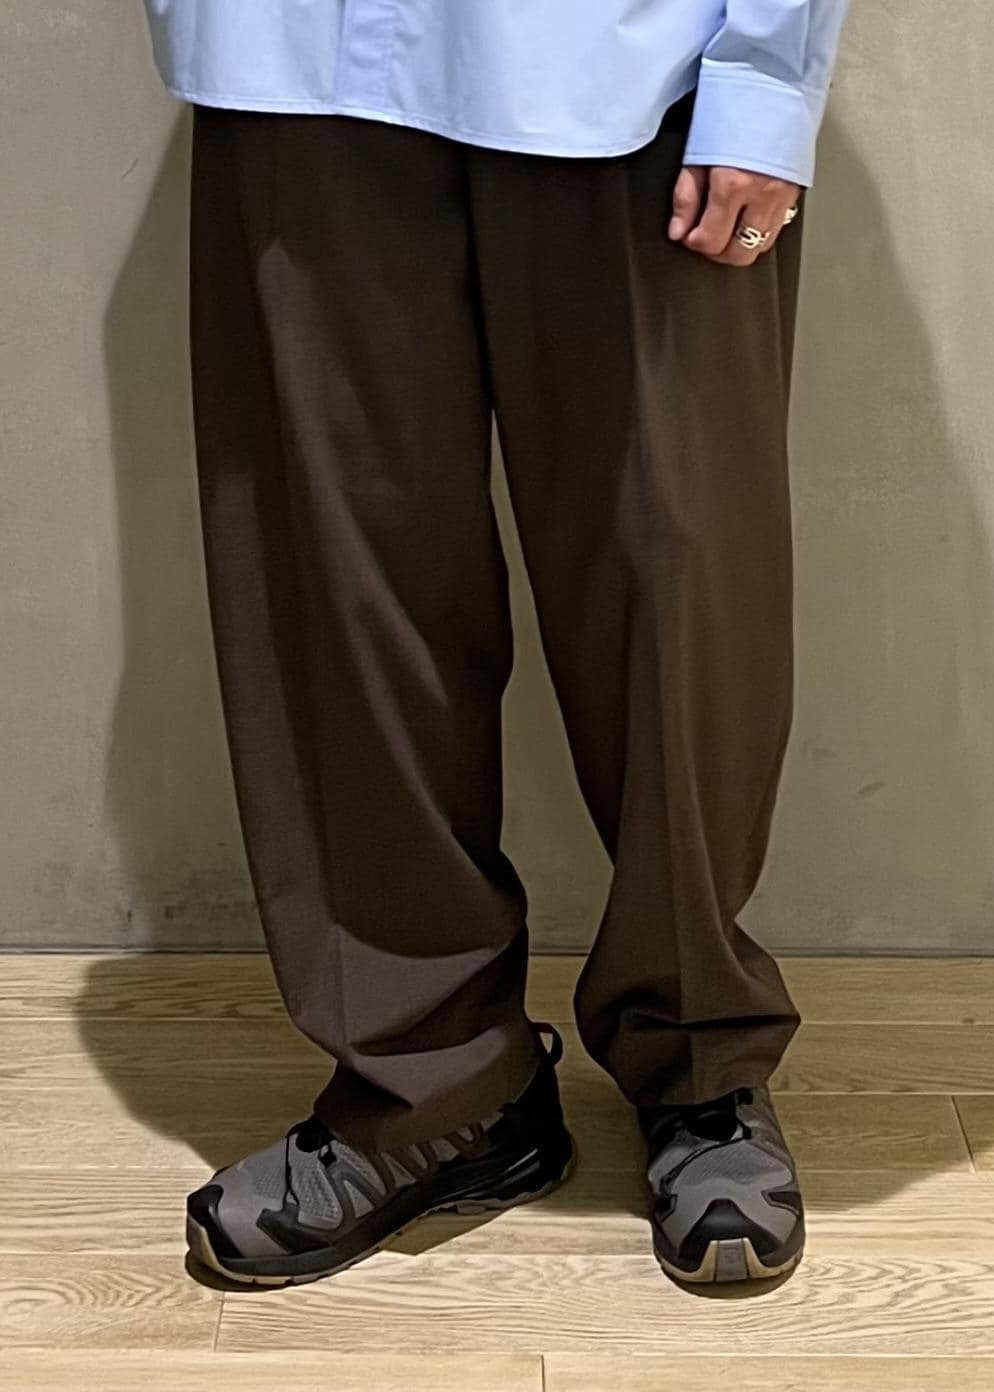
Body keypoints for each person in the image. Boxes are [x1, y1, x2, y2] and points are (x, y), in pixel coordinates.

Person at [142, 0, 849, 1288]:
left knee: (677, 584)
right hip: (289, 61)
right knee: (340, 584)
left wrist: (765, 81)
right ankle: (432, 1084)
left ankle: (699, 1054)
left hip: (638, 61)